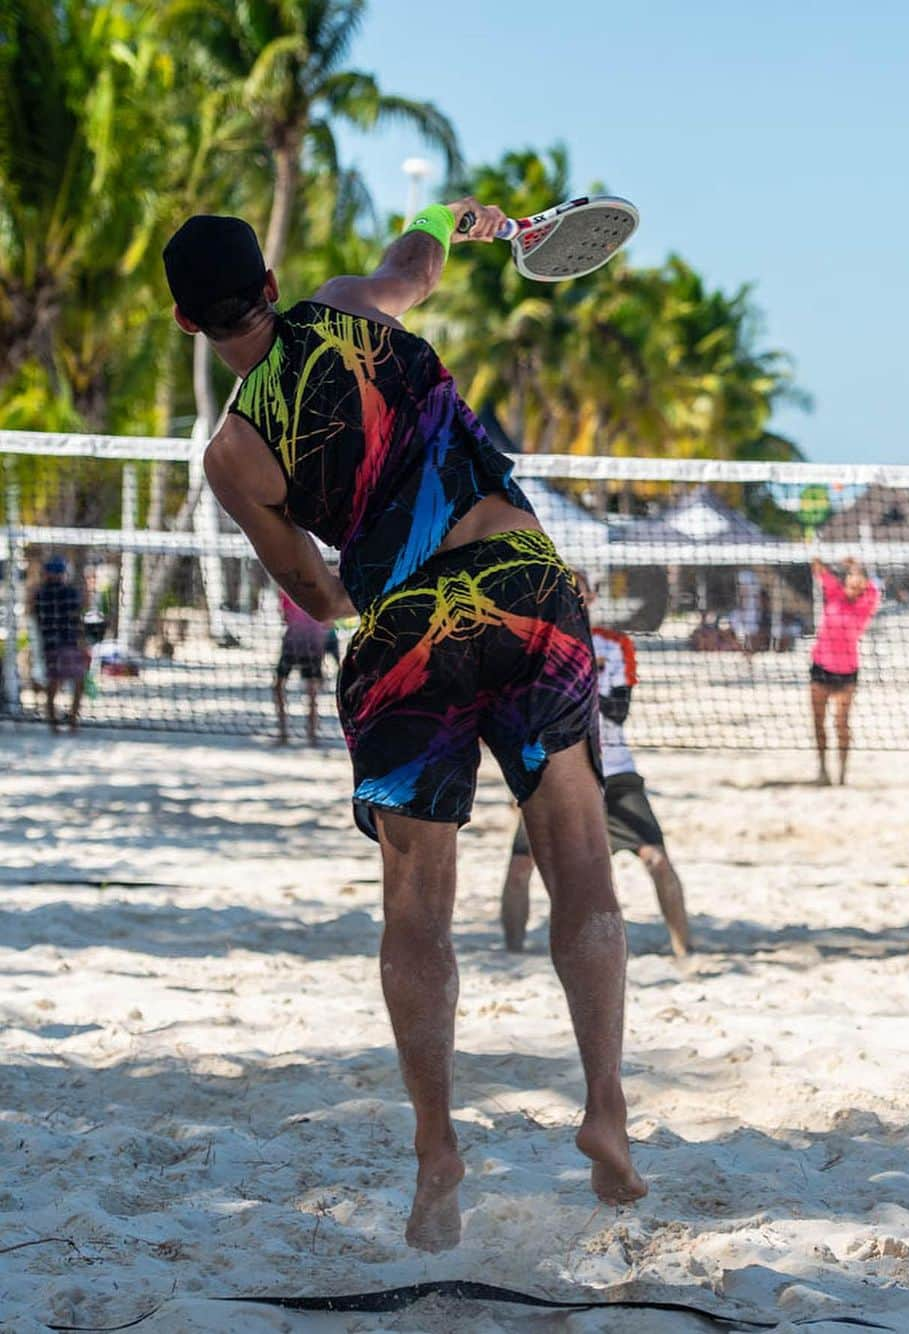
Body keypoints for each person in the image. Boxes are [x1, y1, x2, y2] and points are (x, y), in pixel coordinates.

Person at [162, 205, 644, 1250]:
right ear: (273, 279)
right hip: (519, 576)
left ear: (187, 322)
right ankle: (605, 1104)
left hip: (402, 631)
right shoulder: (341, 308)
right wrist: (445, 218)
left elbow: (314, 590)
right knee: (582, 863)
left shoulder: (233, 454)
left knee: (417, 909)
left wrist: (375, 566)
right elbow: (416, 262)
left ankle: (437, 1152)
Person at [501, 571, 693, 958]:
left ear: (591, 597)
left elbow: (617, 712)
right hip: (552, 773)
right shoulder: (530, 652)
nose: (573, 600)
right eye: (562, 594)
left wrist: (575, 668)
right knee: (521, 865)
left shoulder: (613, 645)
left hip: (614, 770)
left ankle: (685, 950)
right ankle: (512, 953)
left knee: (656, 859)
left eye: (580, 593)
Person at [809, 557, 880, 785]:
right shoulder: (835, 593)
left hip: (846, 671)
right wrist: (825, 553)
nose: (854, 580)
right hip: (821, 666)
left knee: (841, 723)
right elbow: (818, 566)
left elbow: (874, 589)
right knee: (818, 721)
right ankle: (822, 769)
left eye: (859, 578)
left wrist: (857, 564)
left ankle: (842, 774)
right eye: (851, 576)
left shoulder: (866, 603)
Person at [273, 592, 338, 745]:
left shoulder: (287, 587)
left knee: (286, 687)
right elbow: (329, 622)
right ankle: (309, 735)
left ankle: (288, 734)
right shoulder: (315, 586)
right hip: (309, 643)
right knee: (310, 690)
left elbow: (285, 617)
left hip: (298, 642)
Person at [32, 556, 87, 733]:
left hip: (51, 645)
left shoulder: (40, 593)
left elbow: (32, 611)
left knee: (54, 683)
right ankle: (70, 720)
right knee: (75, 682)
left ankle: (55, 722)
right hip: (66, 643)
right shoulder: (69, 592)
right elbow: (82, 608)